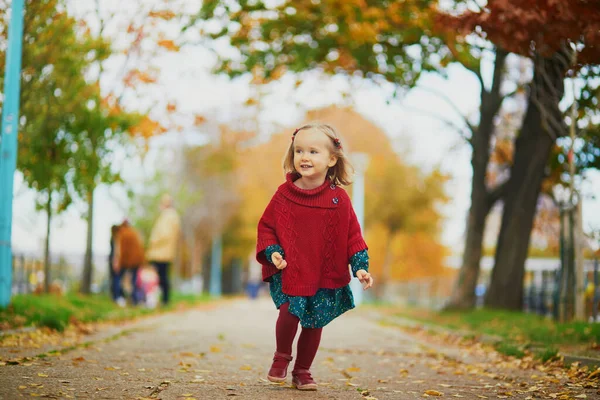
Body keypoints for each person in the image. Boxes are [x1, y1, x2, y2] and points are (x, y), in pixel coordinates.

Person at [256, 123, 374, 391]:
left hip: (323, 272)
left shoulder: (339, 200)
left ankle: (302, 371)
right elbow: (266, 227)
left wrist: (360, 268)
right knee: (289, 312)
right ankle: (281, 356)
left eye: (313, 151)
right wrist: (273, 251)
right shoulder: (283, 195)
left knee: (314, 322)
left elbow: (353, 237)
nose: (304, 157)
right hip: (291, 269)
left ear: (332, 159)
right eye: (299, 151)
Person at [146, 193, 181, 306]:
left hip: (160, 252)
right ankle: (163, 299)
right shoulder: (172, 216)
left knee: (160, 277)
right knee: (163, 276)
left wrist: (153, 241)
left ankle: (161, 300)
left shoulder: (168, 216)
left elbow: (164, 234)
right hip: (165, 252)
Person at [113, 219, 145, 306]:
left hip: (125, 260)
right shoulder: (134, 233)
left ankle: (118, 297)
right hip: (136, 260)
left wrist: (116, 262)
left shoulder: (121, 234)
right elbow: (140, 247)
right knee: (134, 281)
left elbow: (118, 250)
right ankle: (135, 300)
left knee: (118, 278)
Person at [108, 225, 122, 301]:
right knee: (115, 279)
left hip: (114, 261)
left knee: (116, 279)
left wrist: (116, 262)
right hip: (113, 260)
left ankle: (116, 296)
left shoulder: (116, 238)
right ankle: (114, 296)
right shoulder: (114, 238)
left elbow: (117, 252)